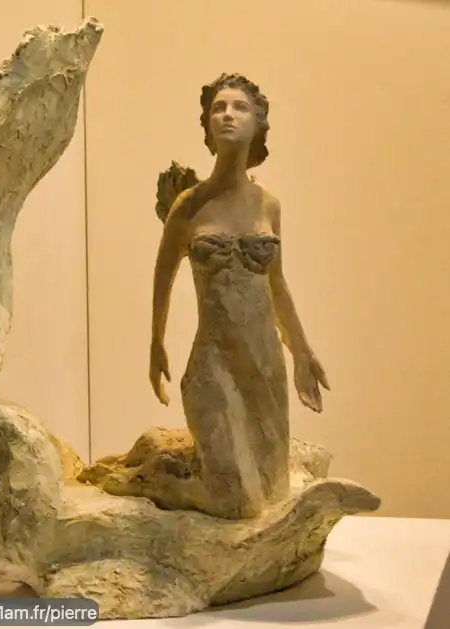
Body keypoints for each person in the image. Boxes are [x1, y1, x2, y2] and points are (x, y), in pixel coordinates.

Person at [149, 73, 329, 519]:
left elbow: (277, 283)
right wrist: (156, 344)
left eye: (239, 107)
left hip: (264, 364)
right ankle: (160, 485)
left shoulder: (268, 205)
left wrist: (302, 351)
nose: (228, 114)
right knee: (238, 502)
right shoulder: (189, 206)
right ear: (207, 124)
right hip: (214, 364)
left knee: (272, 491)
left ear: (259, 124)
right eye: (219, 108)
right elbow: (163, 275)